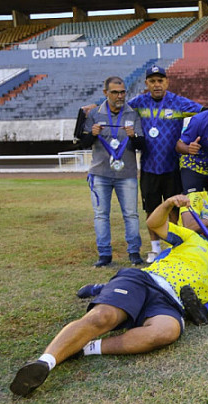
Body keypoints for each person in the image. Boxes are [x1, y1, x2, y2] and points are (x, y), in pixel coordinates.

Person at [9, 195, 208, 396]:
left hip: (171, 303)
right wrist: (169, 204)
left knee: (167, 331)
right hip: (145, 280)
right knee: (103, 318)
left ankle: (86, 348)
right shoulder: (192, 238)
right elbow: (154, 223)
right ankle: (45, 363)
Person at [128, 65, 204, 263]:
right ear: (147, 84)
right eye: (152, 81)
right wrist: (94, 108)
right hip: (148, 167)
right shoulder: (137, 103)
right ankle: (154, 249)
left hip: (172, 167)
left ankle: (175, 247)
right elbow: (117, 109)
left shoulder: (178, 103)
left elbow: (204, 111)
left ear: (167, 82)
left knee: (174, 210)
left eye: (160, 80)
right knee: (151, 210)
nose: (157, 84)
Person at [80, 76, 145, 267]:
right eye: (115, 92)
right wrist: (91, 134)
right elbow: (83, 143)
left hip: (127, 174)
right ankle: (104, 255)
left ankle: (134, 252)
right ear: (105, 93)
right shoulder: (94, 114)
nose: (120, 96)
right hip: (100, 173)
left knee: (131, 214)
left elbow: (142, 145)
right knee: (101, 215)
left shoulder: (133, 114)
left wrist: (134, 137)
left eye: (122, 92)